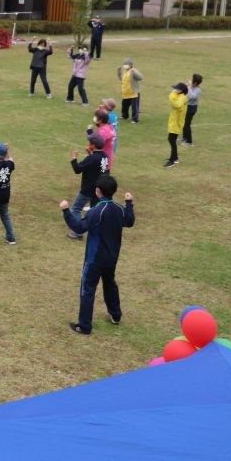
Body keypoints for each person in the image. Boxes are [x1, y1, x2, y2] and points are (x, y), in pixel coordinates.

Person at [60, 176, 134, 334]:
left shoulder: (96, 212)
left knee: (87, 289)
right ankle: (116, 315)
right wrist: (129, 203)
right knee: (110, 284)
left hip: (94, 259)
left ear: (98, 191)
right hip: (112, 257)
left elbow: (79, 228)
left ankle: (84, 325)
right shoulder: (119, 208)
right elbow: (129, 221)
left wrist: (66, 211)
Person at [66, 133, 110, 238]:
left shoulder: (91, 159)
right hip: (99, 190)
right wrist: (91, 154)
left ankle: (78, 232)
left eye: (90, 143)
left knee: (76, 208)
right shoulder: (105, 157)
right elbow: (97, 165)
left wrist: (74, 158)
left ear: (93, 145)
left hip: (88, 189)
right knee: (95, 211)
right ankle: (96, 232)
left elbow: (77, 169)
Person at [165, 82, 188, 168]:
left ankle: (173, 159)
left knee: (171, 140)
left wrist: (172, 94)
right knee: (171, 139)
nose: (174, 90)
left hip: (176, 123)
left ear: (180, 91)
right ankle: (175, 157)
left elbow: (177, 105)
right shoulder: (180, 96)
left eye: (176, 89)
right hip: (175, 122)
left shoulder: (182, 97)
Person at [118, 59, 143, 123]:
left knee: (134, 107)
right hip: (126, 93)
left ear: (131, 65)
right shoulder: (125, 72)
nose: (125, 65)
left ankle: (135, 119)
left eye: (127, 64)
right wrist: (119, 72)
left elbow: (140, 77)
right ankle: (124, 116)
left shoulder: (133, 71)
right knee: (124, 105)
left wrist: (135, 72)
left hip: (133, 93)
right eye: (124, 64)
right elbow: (122, 79)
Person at [182, 73, 203, 146]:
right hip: (186, 106)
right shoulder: (191, 87)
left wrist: (189, 87)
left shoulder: (198, 90)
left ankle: (189, 142)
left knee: (187, 124)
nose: (191, 80)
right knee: (184, 123)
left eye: (192, 80)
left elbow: (192, 96)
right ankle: (184, 138)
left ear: (195, 83)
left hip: (191, 108)